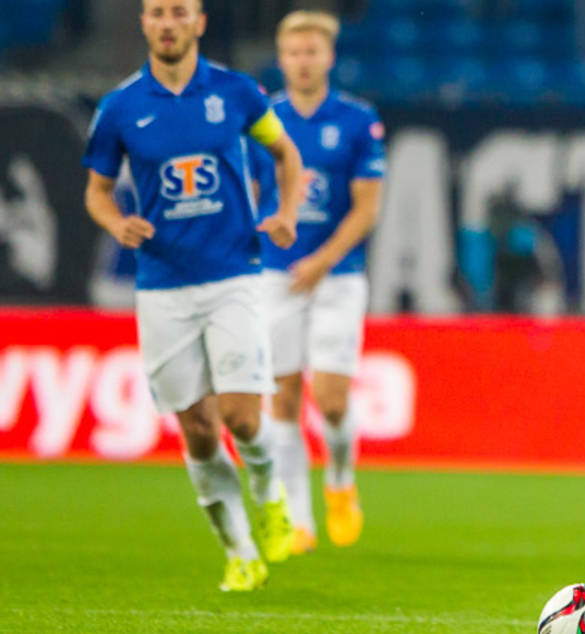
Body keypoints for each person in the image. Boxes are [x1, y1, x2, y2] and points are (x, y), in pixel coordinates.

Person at [82, 0, 305, 591]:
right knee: (199, 430)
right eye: (157, 13)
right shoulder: (120, 107)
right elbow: (97, 192)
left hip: (233, 273)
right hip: (162, 286)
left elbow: (285, 151)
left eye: (179, 12)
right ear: (144, 23)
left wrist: (286, 212)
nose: (168, 23)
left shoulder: (237, 93)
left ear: (199, 23)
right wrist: (116, 223)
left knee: (241, 417)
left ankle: (271, 494)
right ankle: (239, 550)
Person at [252, 10, 385, 552]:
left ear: (328, 57)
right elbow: (249, 195)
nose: (302, 61)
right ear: (281, 58)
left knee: (330, 399)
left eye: (311, 52)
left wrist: (322, 261)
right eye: (293, 52)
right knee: (282, 400)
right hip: (275, 275)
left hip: (337, 276)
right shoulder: (262, 121)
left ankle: (340, 480)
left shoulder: (357, 120)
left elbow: (366, 208)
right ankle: (299, 520)